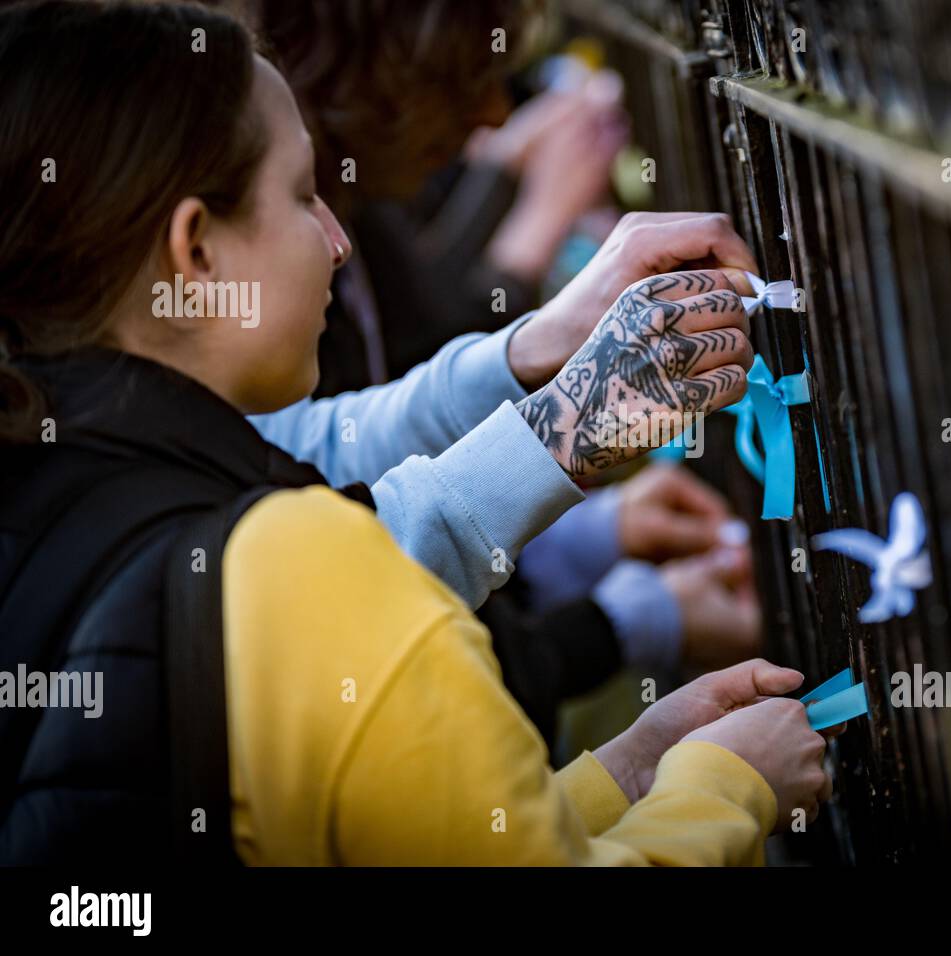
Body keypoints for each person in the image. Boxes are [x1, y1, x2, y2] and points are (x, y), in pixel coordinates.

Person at [0, 0, 834, 864]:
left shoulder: (52, 479)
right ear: (195, 253)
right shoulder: (289, 552)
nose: (335, 240)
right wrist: (725, 791)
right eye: (299, 194)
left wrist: (626, 774)